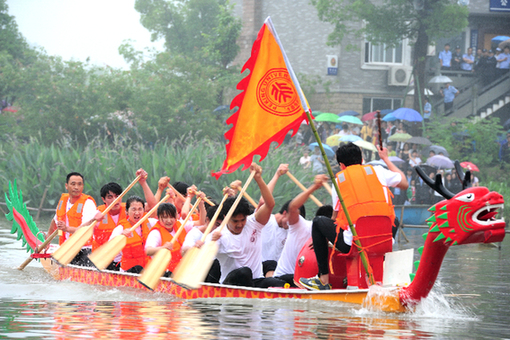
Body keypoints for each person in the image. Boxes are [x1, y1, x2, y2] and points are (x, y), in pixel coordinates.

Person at [299, 143, 408, 290]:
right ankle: (382, 274)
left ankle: (323, 281)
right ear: (362, 159)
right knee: (392, 220)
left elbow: (335, 218)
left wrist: (325, 239)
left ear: (342, 165)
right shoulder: (378, 171)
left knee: (318, 222)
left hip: (355, 244)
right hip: (383, 241)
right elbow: (404, 183)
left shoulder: (339, 180)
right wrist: (385, 159)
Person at [211, 163, 286, 288]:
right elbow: (192, 253)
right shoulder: (219, 234)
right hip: (232, 284)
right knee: (245, 272)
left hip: (255, 282)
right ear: (225, 217)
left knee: (279, 283)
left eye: (243, 219)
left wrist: (258, 178)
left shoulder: (253, 223)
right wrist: (207, 244)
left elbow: (269, 204)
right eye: (235, 221)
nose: (240, 224)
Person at [272, 175, 329, 286]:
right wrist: (314, 187)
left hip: (304, 281)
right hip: (284, 278)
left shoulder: (335, 239)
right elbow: (293, 207)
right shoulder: (301, 225)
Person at [47, 172, 98, 266]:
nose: (76, 187)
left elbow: (84, 230)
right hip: (66, 248)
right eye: (73, 184)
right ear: (67, 186)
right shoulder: (63, 201)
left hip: (84, 249)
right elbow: (55, 221)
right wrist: (47, 241)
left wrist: (66, 228)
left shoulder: (88, 203)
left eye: (79, 184)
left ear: (83, 186)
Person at [108, 196, 151, 273]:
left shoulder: (150, 223)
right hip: (128, 271)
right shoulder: (120, 229)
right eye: (133, 209)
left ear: (144, 210)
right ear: (127, 211)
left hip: (148, 270)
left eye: (140, 209)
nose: (137, 213)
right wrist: (121, 236)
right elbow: (109, 250)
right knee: (138, 268)